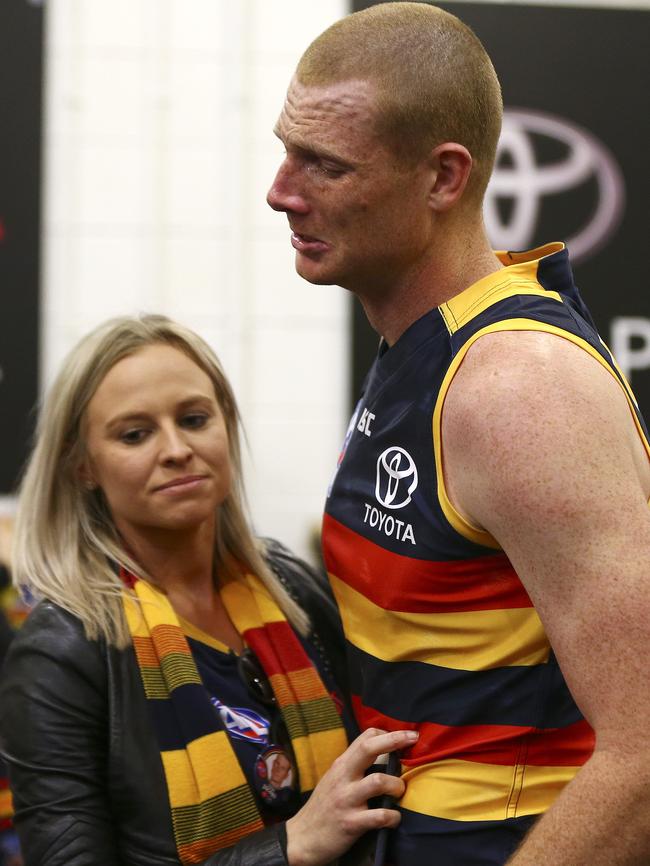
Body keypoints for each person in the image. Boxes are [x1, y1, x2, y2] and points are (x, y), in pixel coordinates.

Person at [266, 3, 650, 865]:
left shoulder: (516, 388)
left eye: (323, 164)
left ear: (443, 178)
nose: (281, 190)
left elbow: (647, 751)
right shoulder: (428, 341)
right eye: (286, 148)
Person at [0, 314, 416, 866]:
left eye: (194, 419)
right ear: (83, 466)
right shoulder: (60, 653)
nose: (176, 449)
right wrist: (290, 847)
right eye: (135, 434)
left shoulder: (288, 583)